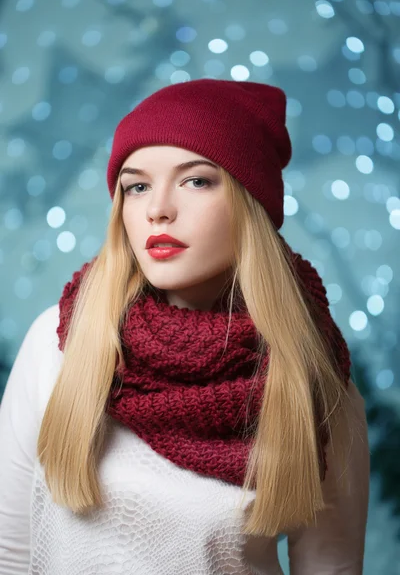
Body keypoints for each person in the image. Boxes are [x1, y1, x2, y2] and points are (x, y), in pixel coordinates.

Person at [0, 79, 370, 574]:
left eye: (196, 180)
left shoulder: (313, 376)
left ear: (250, 202)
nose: (158, 210)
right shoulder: (57, 342)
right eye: (137, 186)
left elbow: (332, 568)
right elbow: (10, 553)